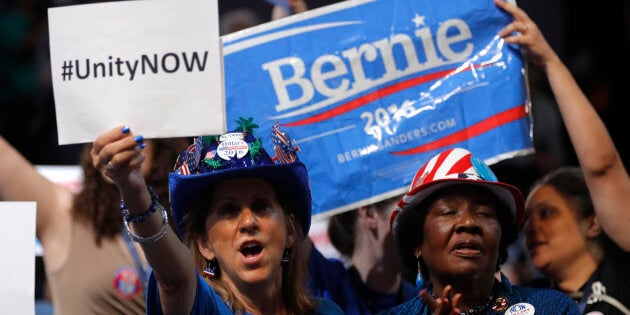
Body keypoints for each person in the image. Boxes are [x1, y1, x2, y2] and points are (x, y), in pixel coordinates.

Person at [90, 119, 344, 314]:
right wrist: (133, 189)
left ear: (289, 231)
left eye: (261, 206)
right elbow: (173, 279)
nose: (248, 222)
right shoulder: (204, 308)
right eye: (229, 211)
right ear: (204, 244)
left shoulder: (328, 312)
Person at [494, 0, 630, 312]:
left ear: (594, 222)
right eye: (527, 220)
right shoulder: (526, 304)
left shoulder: (623, 270)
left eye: (546, 213)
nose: (529, 229)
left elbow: (603, 169)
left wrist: (549, 62)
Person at [0, 133, 189, 314]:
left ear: (161, 140)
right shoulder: (66, 216)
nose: (118, 138)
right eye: (105, 126)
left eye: (133, 128)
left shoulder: (192, 224)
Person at [382, 147, 580, 314]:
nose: (469, 222)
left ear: (502, 237)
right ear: (417, 242)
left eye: (484, 213)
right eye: (449, 211)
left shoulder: (553, 308)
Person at [306, 195, 417, 314]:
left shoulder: (422, 298)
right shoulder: (328, 284)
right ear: (370, 214)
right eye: (410, 213)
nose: (420, 226)